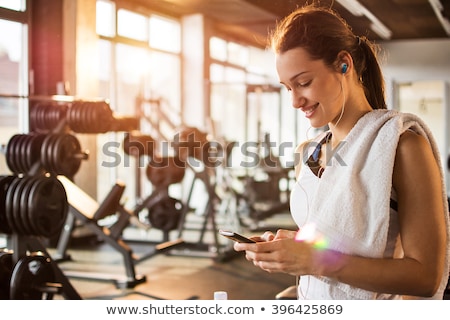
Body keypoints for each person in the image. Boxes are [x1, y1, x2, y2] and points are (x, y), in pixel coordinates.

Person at [233, 4, 450, 299]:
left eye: (304, 82)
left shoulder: (403, 148)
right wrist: (287, 247)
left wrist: (314, 260)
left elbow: (426, 277)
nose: (295, 100)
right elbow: (328, 240)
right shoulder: (306, 153)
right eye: (287, 87)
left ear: (344, 64)